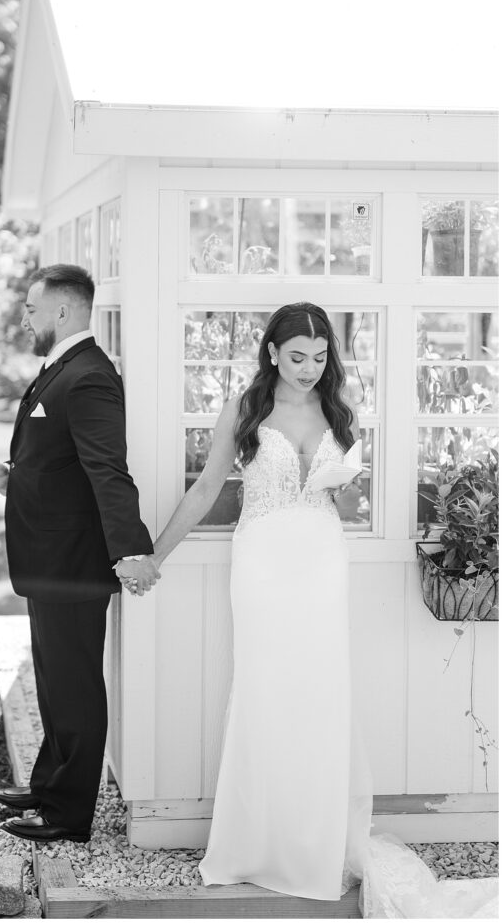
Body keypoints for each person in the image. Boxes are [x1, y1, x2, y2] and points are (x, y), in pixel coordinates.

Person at [119, 302, 498, 918]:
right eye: (297, 357)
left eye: (320, 358)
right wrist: (154, 556)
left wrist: (345, 492)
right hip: (263, 562)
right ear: (271, 352)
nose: (308, 369)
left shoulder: (337, 410)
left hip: (322, 562)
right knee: (266, 691)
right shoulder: (245, 410)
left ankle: (317, 845)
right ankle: (256, 844)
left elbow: (346, 507)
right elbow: (207, 487)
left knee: (321, 695)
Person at [0, 264, 159, 844]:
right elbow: (62, 463)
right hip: (48, 560)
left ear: (63, 312)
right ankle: (48, 784)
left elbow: (107, 469)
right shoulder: (60, 370)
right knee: (53, 682)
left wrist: (130, 549)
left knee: (74, 685)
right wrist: (9, 474)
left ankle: (68, 815)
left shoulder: (90, 377)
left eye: (31, 309)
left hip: (75, 563)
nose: (24, 320)